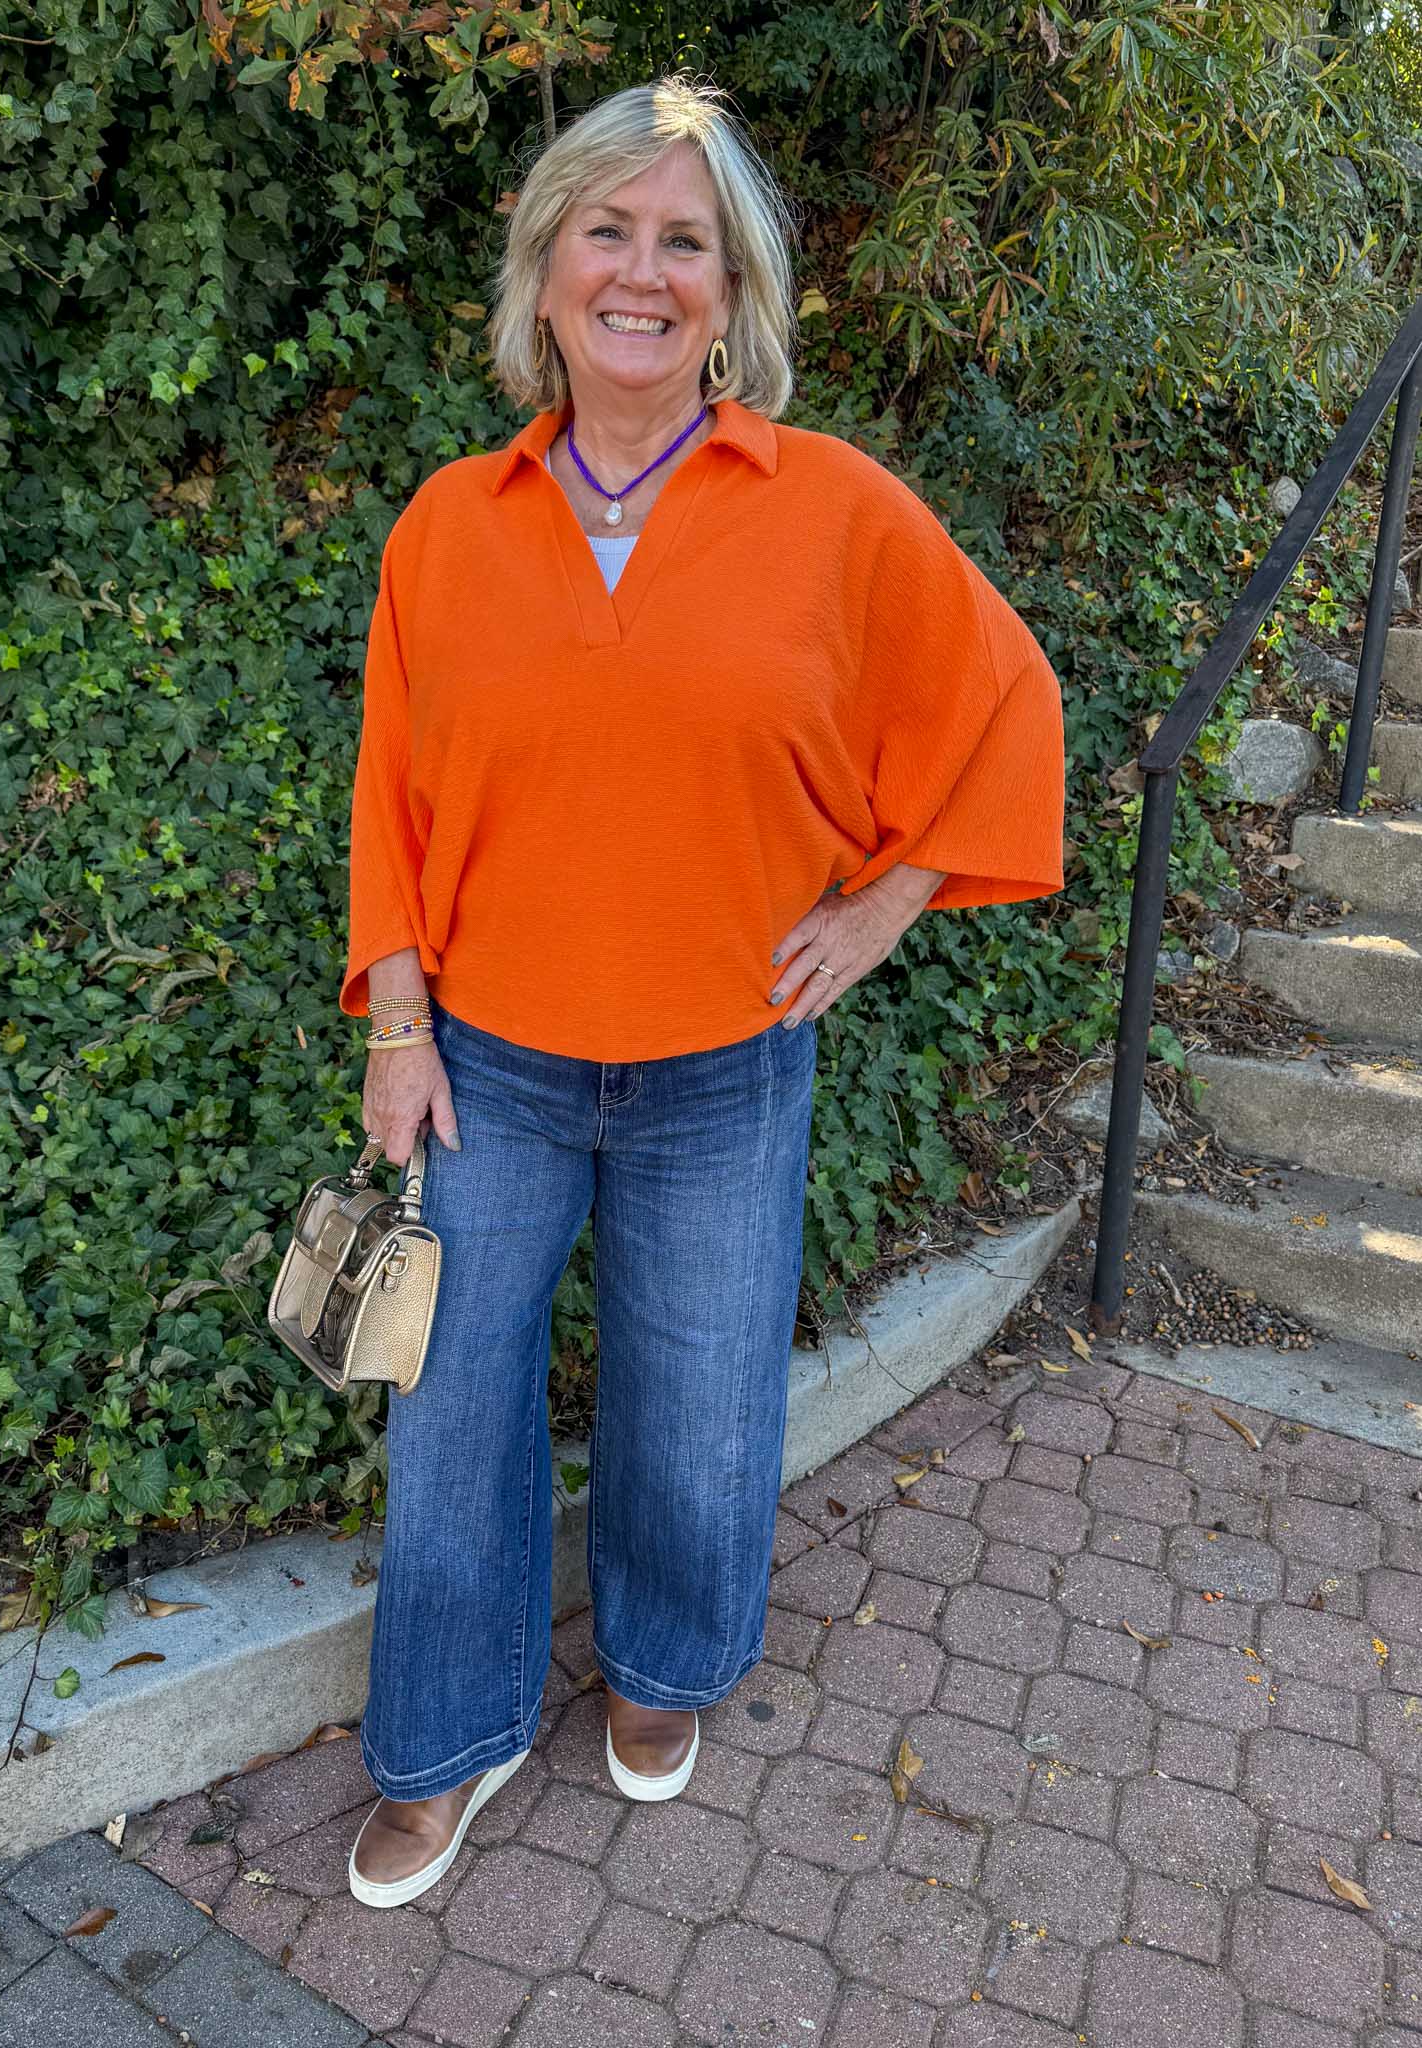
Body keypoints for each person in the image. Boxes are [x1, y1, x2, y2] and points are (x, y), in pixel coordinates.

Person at [336, 71, 1065, 1909]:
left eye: (686, 241)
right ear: (546, 267)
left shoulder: (831, 511)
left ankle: (663, 1668)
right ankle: (448, 1737)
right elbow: (392, 792)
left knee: (699, 1403)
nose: (641, 272)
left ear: (732, 294)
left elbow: (1003, 699)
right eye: (607, 230)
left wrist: (884, 905)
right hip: (487, 1065)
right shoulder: (449, 524)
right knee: (451, 1414)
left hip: (723, 1064)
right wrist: (398, 1028)